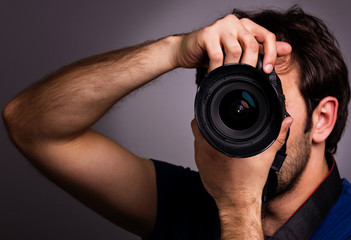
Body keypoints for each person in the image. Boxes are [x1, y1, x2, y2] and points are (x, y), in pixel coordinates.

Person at [3, 5, 351, 240]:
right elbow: (31, 125)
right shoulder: (189, 200)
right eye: (233, 98)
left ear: (322, 120)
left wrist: (238, 207)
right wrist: (171, 50)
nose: (244, 117)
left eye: (267, 101)